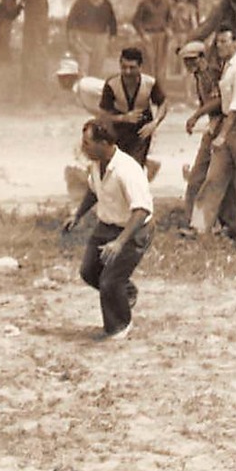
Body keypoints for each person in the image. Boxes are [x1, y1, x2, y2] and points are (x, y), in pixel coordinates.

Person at [61, 119, 153, 340]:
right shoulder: (96, 164)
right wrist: (77, 215)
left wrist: (120, 242)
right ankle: (127, 292)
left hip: (134, 229)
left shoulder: (127, 169)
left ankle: (120, 326)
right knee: (89, 271)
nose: (83, 148)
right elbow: (94, 191)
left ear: (104, 142)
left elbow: (141, 211)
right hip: (107, 226)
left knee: (110, 281)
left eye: (87, 143)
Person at [189, 27, 236, 239]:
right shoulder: (228, 67)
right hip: (230, 127)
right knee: (214, 177)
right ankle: (199, 226)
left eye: (224, 41)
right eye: (218, 42)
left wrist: (221, 135)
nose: (219, 46)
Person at [97, 46, 168, 167]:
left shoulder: (150, 82)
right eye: (124, 67)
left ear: (140, 67)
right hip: (118, 130)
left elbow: (163, 103)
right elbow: (103, 114)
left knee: (135, 166)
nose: (127, 72)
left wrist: (154, 123)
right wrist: (123, 118)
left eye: (132, 68)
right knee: (115, 166)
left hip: (142, 130)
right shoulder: (111, 84)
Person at [178, 41, 222, 221]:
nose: (189, 64)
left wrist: (196, 116)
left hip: (222, 127)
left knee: (207, 177)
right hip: (213, 126)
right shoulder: (199, 77)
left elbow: (218, 101)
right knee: (198, 178)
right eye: (186, 61)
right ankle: (192, 220)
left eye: (192, 60)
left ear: (202, 57)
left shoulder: (211, 75)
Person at [66, 0, 117, 80]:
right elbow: (71, 21)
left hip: (100, 39)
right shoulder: (81, 3)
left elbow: (112, 22)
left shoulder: (106, 4)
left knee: (97, 67)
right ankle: (82, 89)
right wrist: (71, 37)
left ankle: (93, 90)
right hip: (83, 37)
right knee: (83, 65)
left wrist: (112, 38)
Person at [131, 0, 174, 80]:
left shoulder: (166, 3)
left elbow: (170, 19)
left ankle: (159, 87)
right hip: (149, 36)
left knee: (161, 63)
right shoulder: (145, 3)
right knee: (149, 62)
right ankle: (148, 84)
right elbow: (136, 21)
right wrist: (143, 34)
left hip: (162, 36)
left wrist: (169, 28)